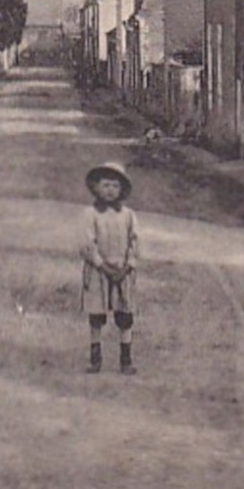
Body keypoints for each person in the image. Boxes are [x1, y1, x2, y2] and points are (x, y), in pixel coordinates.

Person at [79, 161, 140, 375]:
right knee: (96, 315)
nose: (110, 190)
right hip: (98, 272)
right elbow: (87, 244)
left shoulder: (128, 215)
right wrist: (101, 265)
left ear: (122, 189)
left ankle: (126, 359)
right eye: (105, 185)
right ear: (96, 187)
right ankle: (95, 358)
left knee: (125, 315)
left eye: (115, 185)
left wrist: (128, 266)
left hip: (123, 272)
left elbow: (135, 242)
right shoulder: (91, 214)